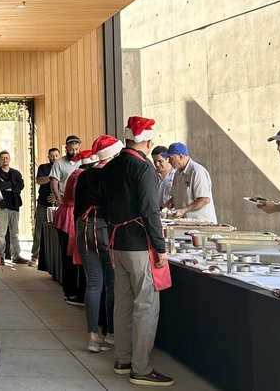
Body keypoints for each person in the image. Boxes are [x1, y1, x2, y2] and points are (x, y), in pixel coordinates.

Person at [102, 116, 174, 386]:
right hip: (139, 244)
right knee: (145, 306)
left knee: (122, 303)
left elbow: (106, 206)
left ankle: (122, 358)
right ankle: (141, 367)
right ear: (146, 141)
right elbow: (149, 210)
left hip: (117, 241)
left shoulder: (111, 166)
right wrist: (160, 246)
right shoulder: (143, 168)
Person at [75, 135, 123, 353]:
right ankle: (112, 333)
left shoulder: (84, 176)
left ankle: (93, 337)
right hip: (107, 229)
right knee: (111, 283)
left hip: (85, 228)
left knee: (93, 283)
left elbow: (77, 207)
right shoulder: (115, 175)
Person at [52, 150, 93, 306]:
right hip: (70, 216)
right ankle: (71, 291)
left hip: (67, 214)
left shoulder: (76, 174)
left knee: (68, 256)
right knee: (71, 257)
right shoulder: (79, 176)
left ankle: (69, 290)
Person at [162, 142, 217, 223]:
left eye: (170, 158)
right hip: (185, 223)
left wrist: (183, 210)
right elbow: (175, 199)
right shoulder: (177, 173)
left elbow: (204, 200)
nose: (169, 161)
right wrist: (161, 209)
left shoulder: (197, 171)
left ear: (180, 157)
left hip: (202, 223)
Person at [0, 150, 26, 264]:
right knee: (2, 234)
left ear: (9, 159)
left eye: (7, 158)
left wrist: (9, 186)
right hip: (2, 207)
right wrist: (12, 184)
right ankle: (1, 256)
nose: (5, 160)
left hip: (14, 206)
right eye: (2, 158)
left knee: (15, 233)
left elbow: (21, 185)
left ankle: (16, 255)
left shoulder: (16, 173)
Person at [30, 147, 60, 267]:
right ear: (49, 157)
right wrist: (52, 177)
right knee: (39, 229)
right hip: (43, 202)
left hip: (58, 202)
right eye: (52, 155)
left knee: (57, 229)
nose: (54, 157)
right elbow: (39, 181)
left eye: (56, 155)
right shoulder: (43, 167)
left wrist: (57, 197)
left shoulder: (63, 166)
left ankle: (55, 257)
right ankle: (34, 256)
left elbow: (65, 181)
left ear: (59, 155)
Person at [49, 135, 82, 205]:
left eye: (76, 149)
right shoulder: (58, 163)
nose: (74, 152)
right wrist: (58, 198)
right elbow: (54, 182)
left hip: (82, 197)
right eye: (71, 149)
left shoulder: (84, 161)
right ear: (66, 149)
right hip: (65, 199)